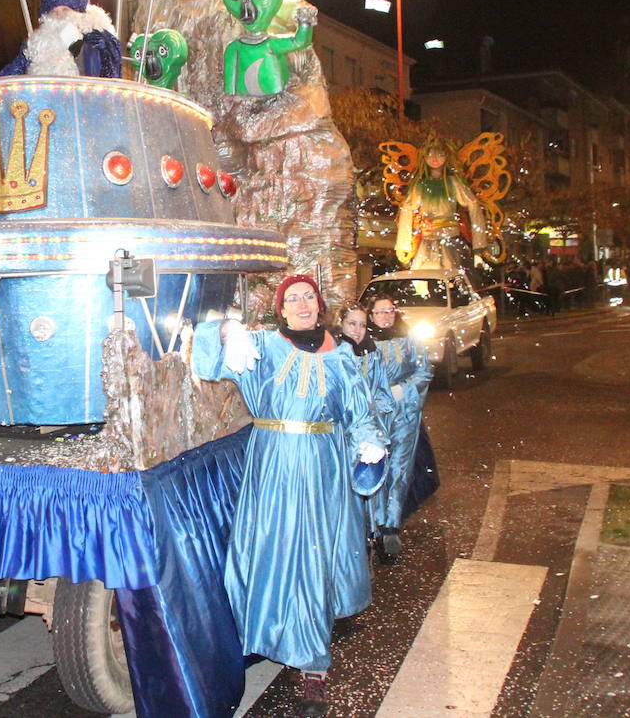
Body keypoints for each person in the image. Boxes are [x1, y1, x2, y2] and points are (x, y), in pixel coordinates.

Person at [192, 273, 386, 716]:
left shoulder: (342, 359)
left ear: (320, 306)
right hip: (273, 464)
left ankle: (313, 664)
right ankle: (259, 631)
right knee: (269, 550)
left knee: (312, 558)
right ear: (280, 309)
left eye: (309, 297)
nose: (301, 304)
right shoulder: (261, 346)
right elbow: (206, 357)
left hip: (322, 469)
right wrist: (227, 329)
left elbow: (359, 416)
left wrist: (369, 443)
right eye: (292, 298)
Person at [365, 293, 436, 560]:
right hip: (373, 417)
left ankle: (390, 527)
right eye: (379, 312)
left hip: (404, 415)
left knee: (399, 469)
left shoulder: (409, 339)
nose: (385, 317)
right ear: (371, 315)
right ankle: (375, 525)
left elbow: (424, 370)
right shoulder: (364, 342)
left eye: (389, 311)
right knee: (376, 468)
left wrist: (403, 390)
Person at [393, 138, 487, 270]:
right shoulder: (421, 184)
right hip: (428, 238)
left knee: (451, 273)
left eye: (440, 154)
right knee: (421, 278)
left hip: (450, 238)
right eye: (430, 154)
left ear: (447, 156)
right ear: (424, 157)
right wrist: (403, 245)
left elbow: (473, 204)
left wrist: (478, 246)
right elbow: (407, 209)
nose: (435, 158)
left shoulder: (453, 182)